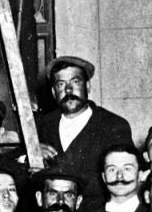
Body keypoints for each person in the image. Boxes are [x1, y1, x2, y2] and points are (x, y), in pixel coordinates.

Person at [36, 56, 130, 198]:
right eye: (61, 84)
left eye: (75, 82)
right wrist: (31, 153)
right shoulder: (42, 126)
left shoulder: (113, 125)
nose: (68, 90)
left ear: (87, 86)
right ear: (54, 92)